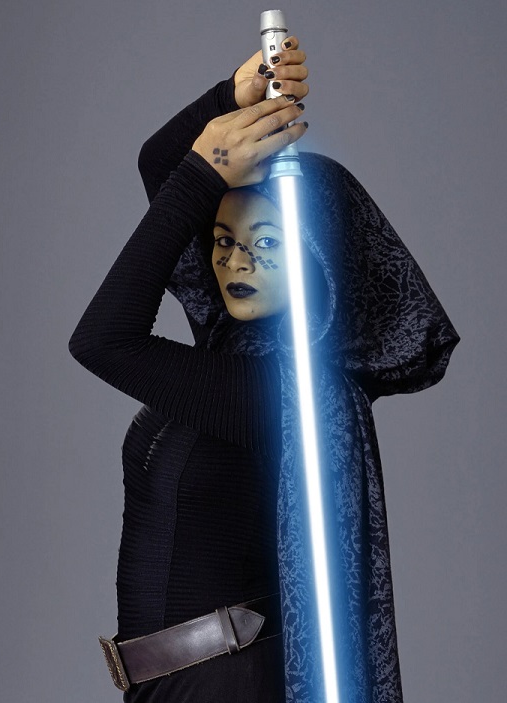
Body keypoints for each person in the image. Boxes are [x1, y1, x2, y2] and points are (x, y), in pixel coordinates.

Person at [68, 37, 459, 703]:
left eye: (267, 242)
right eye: (224, 241)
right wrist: (232, 96)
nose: (237, 261)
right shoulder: (229, 347)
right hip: (178, 687)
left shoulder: (281, 390)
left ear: (319, 257)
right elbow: (159, 165)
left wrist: (206, 171)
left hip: (227, 684)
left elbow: (101, 340)